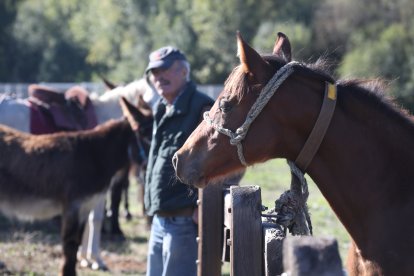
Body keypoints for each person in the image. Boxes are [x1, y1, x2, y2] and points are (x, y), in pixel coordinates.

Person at [144, 46, 214, 276]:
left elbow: (227, 162)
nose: (158, 77)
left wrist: (201, 204)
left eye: (164, 70)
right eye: (153, 73)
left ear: (184, 72)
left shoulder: (203, 107)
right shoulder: (161, 107)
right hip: (159, 219)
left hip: (184, 222)